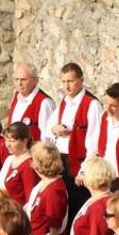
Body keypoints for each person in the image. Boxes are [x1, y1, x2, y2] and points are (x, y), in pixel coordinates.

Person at [42, 62, 102, 215]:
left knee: (79, 203)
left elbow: (94, 141)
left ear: (81, 80)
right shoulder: (65, 101)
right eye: (64, 81)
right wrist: (54, 129)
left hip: (78, 161)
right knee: (63, 203)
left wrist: (84, 170)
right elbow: (49, 127)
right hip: (61, 160)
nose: (67, 86)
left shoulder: (92, 104)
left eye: (70, 81)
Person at [84, 82, 119, 192]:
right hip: (102, 178)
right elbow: (94, 145)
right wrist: (85, 169)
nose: (108, 109)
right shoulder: (104, 117)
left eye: (113, 106)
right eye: (106, 104)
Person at [8, 61, 56, 142]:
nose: (19, 83)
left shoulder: (44, 103)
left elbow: (47, 138)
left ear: (35, 80)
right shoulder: (16, 96)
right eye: (16, 79)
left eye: (23, 79)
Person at [0, 122, 39, 206]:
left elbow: (30, 200)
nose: (7, 145)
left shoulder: (28, 165)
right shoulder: (10, 159)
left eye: (12, 141)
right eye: (6, 140)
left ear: (24, 141)